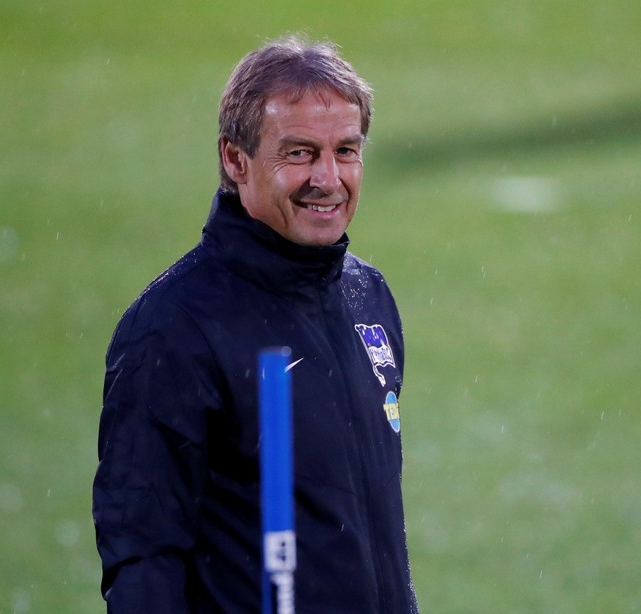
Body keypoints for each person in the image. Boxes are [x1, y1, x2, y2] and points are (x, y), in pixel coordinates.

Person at [93, 35, 418, 613]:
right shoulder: (174, 327)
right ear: (235, 160)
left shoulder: (369, 298)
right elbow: (143, 556)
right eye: (298, 153)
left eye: (346, 150)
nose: (328, 178)